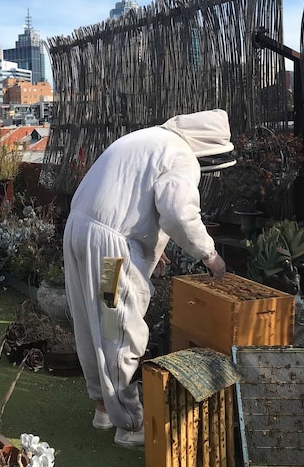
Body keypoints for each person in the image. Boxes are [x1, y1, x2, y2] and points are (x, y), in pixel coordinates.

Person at [62, 108, 234, 448]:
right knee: (118, 329)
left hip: (80, 232)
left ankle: (103, 407)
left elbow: (130, 199)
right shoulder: (181, 154)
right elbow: (178, 214)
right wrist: (210, 255)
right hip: (110, 253)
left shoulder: (147, 139)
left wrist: (149, 245)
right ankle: (130, 424)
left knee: (91, 322)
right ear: (208, 147)